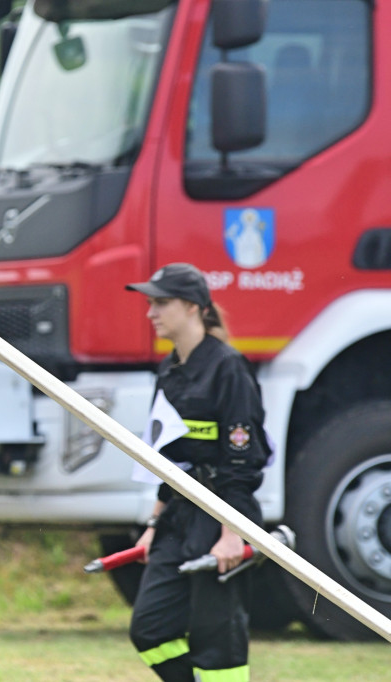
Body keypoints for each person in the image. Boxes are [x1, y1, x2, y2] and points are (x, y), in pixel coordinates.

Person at [124, 263, 270, 682]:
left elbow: (242, 462)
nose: (151, 312)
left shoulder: (229, 369)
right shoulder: (168, 372)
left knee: (216, 640)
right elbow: (167, 458)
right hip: (178, 515)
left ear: (192, 307)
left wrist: (232, 533)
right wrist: (155, 523)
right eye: (149, 302)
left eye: (161, 302)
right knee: (148, 628)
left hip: (222, 513)